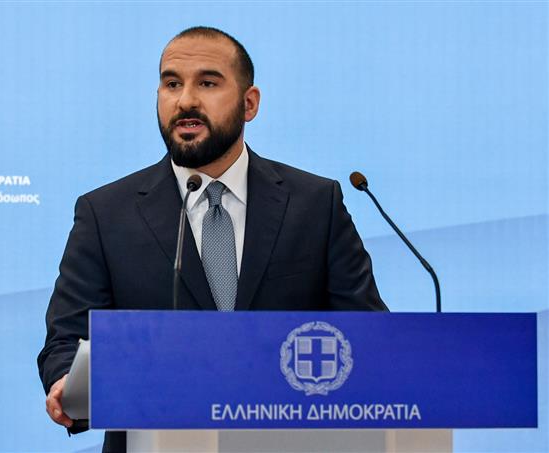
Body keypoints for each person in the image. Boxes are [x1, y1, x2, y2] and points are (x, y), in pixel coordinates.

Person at [38, 26, 387, 453]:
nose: (185, 100)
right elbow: (67, 339)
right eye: (171, 84)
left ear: (249, 103)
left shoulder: (315, 204)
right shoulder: (105, 213)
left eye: (207, 83)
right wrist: (65, 381)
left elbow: (368, 335)